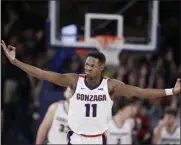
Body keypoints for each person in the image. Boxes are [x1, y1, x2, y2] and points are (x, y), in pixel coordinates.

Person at [1, 40, 181, 144]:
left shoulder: (111, 85)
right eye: (86, 64)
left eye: (92, 65)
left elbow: (141, 92)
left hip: (97, 139)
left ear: (102, 67)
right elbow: (43, 74)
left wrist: (171, 91)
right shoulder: (74, 80)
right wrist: (16, 62)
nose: (87, 68)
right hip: (77, 138)